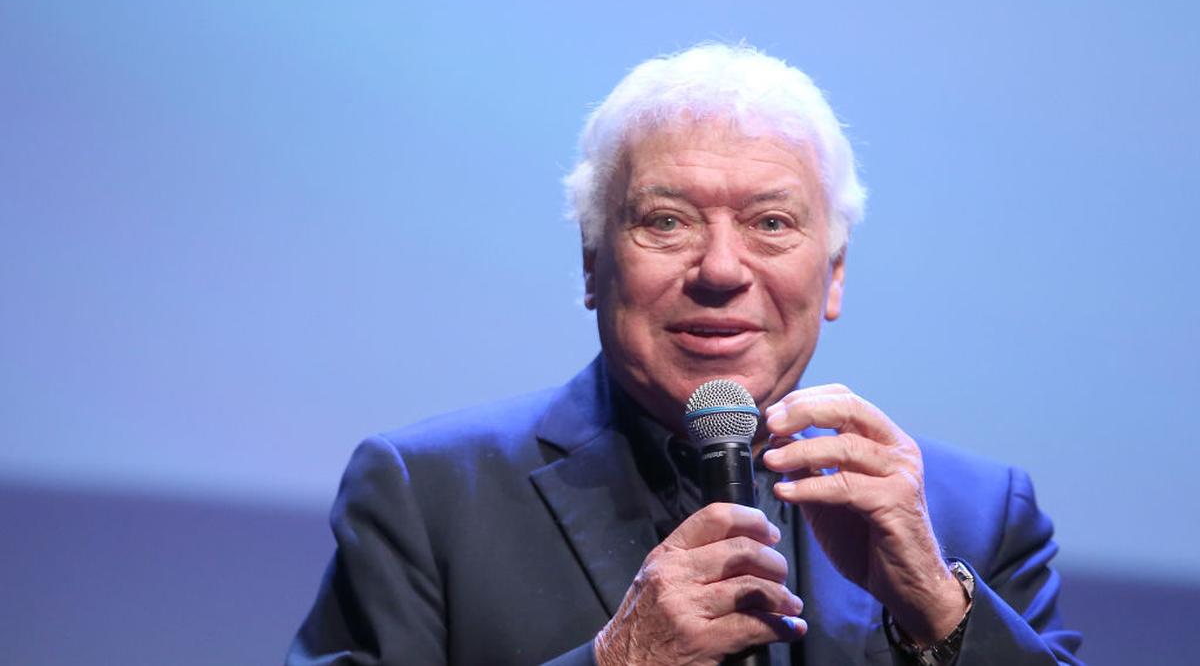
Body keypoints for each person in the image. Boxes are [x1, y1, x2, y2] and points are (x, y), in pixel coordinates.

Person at [287, 43, 1083, 666]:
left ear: (835, 273)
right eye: (666, 221)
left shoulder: (976, 515)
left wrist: (939, 611)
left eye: (771, 223)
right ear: (593, 263)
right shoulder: (426, 495)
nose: (722, 270)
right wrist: (617, 660)